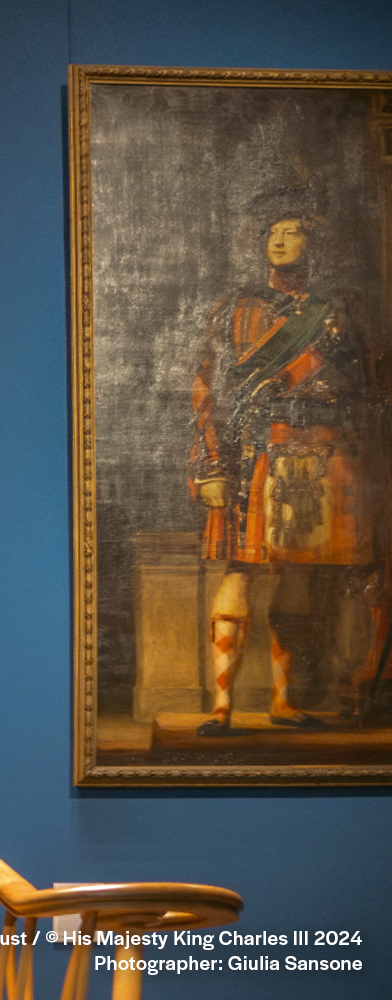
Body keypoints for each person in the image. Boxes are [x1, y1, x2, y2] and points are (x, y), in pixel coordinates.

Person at [190, 209, 385, 735]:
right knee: (239, 571)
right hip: (255, 450)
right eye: (272, 234)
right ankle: (221, 707)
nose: (278, 242)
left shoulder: (341, 309)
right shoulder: (234, 309)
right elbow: (206, 388)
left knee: (295, 578)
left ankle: (281, 702)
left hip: (322, 450)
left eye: (291, 232)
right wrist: (210, 464)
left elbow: (371, 385)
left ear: (313, 242)